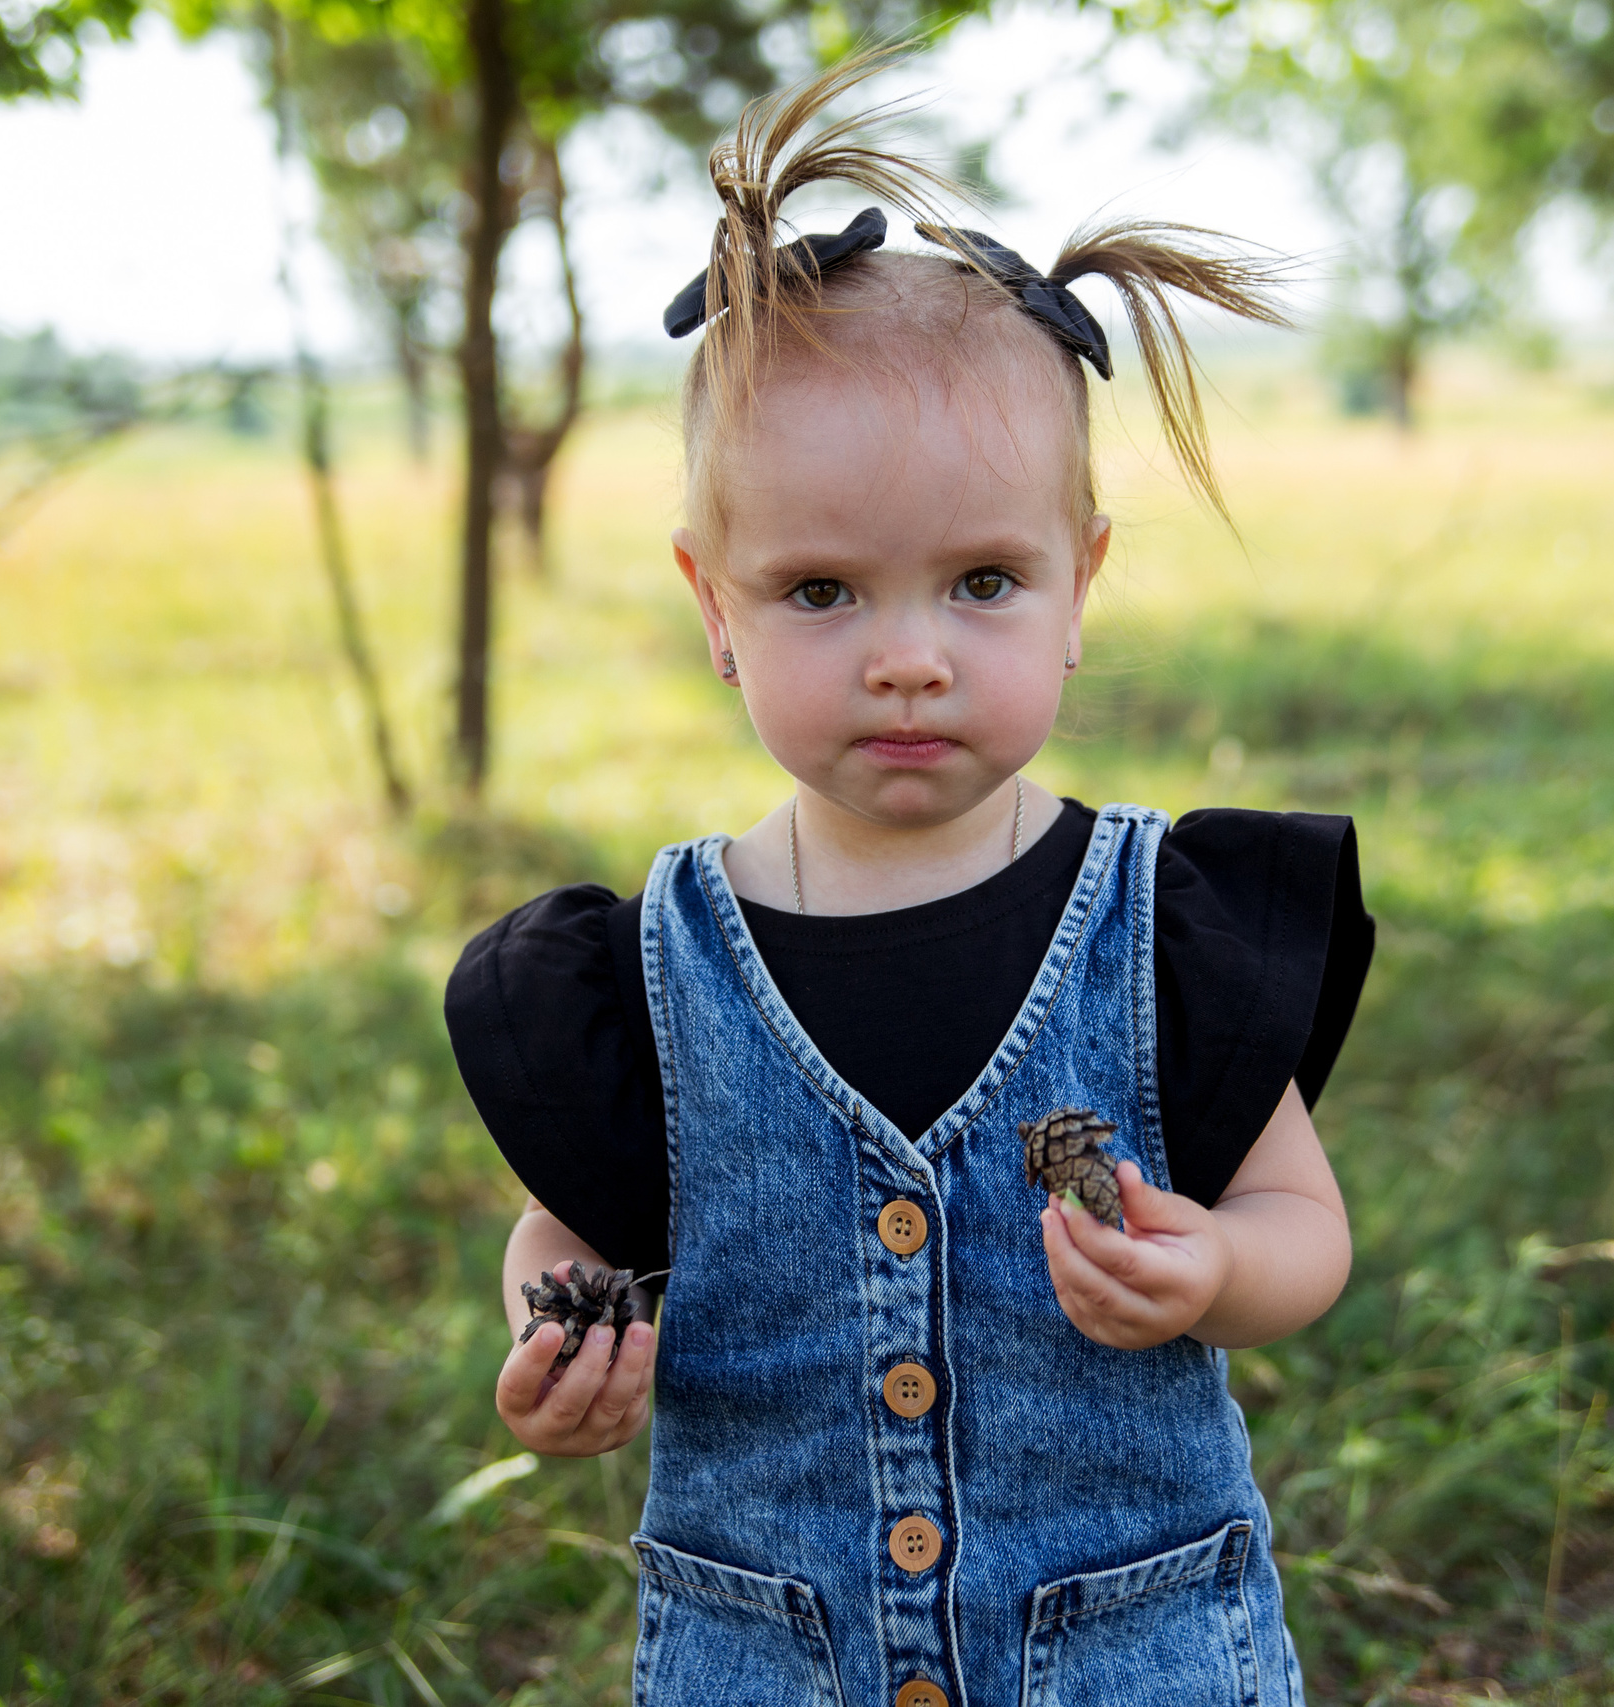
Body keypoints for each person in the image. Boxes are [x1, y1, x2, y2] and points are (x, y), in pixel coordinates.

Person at [443, 52, 1373, 1707]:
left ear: (1079, 588)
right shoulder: (648, 972)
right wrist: (561, 1334)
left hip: (1133, 1656)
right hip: (766, 1661)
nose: (910, 659)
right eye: (822, 592)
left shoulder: (1166, 928)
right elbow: (566, 1231)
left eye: (983, 582)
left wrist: (1221, 1274)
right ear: (714, 605)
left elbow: (1302, 1222)